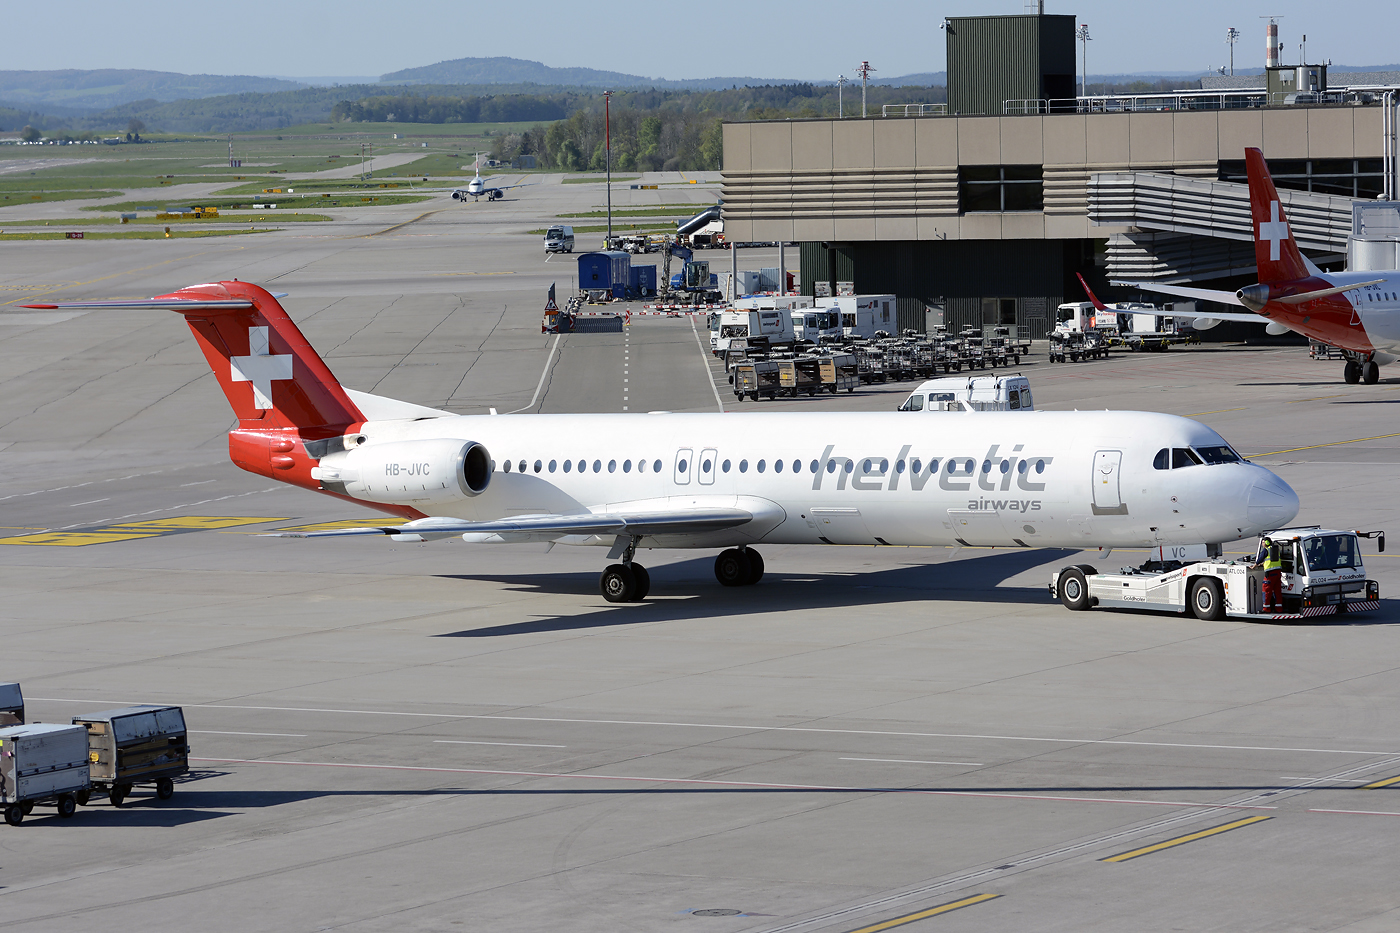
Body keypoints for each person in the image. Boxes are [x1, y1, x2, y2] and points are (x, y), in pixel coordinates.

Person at [1257, 536, 1283, 611]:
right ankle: (1279, 608)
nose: (1262, 544)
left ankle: (1266, 608)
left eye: (1263, 542)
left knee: (1266, 591)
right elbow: (1272, 560)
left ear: (1267, 543)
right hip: (1278, 573)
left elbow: (1260, 559)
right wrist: (1263, 563)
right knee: (1277, 591)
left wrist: (1255, 565)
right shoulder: (1276, 549)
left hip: (1270, 574)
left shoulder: (1266, 550)